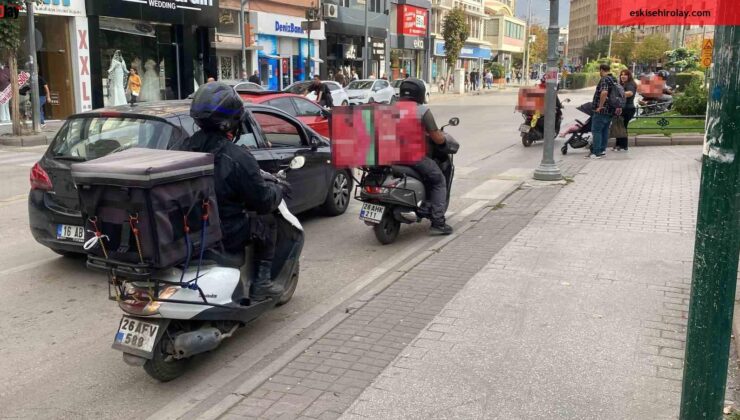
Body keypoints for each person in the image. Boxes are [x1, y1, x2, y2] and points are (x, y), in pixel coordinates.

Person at [177, 82, 285, 301]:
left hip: (190, 228)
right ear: (233, 121)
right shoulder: (237, 157)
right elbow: (262, 201)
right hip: (225, 232)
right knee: (267, 220)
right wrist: (277, 189)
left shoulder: (183, 147)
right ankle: (262, 283)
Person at [398, 78, 454, 236]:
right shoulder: (422, 111)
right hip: (413, 157)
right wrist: (443, 141)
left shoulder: (390, 108)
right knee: (438, 180)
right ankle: (438, 222)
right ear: (420, 93)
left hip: (389, 156)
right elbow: (436, 137)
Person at [587, 63, 618, 159]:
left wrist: (600, 106)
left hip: (602, 110)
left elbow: (604, 92)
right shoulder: (614, 79)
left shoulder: (604, 79)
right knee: (604, 130)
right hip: (610, 110)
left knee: (596, 130)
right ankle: (602, 150)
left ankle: (596, 152)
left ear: (601, 70)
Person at [614, 69, 637, 152]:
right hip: (624, 108)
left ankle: (623, 146)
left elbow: (630, 93)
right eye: (621, 74)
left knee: (622, 127)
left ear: (629, 76)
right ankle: (619, 145)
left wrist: (618, 95)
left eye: (625, 75)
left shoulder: (630, 84)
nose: (623, 76)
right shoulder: (623, 84)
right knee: (620, 126)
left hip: (627, 108)